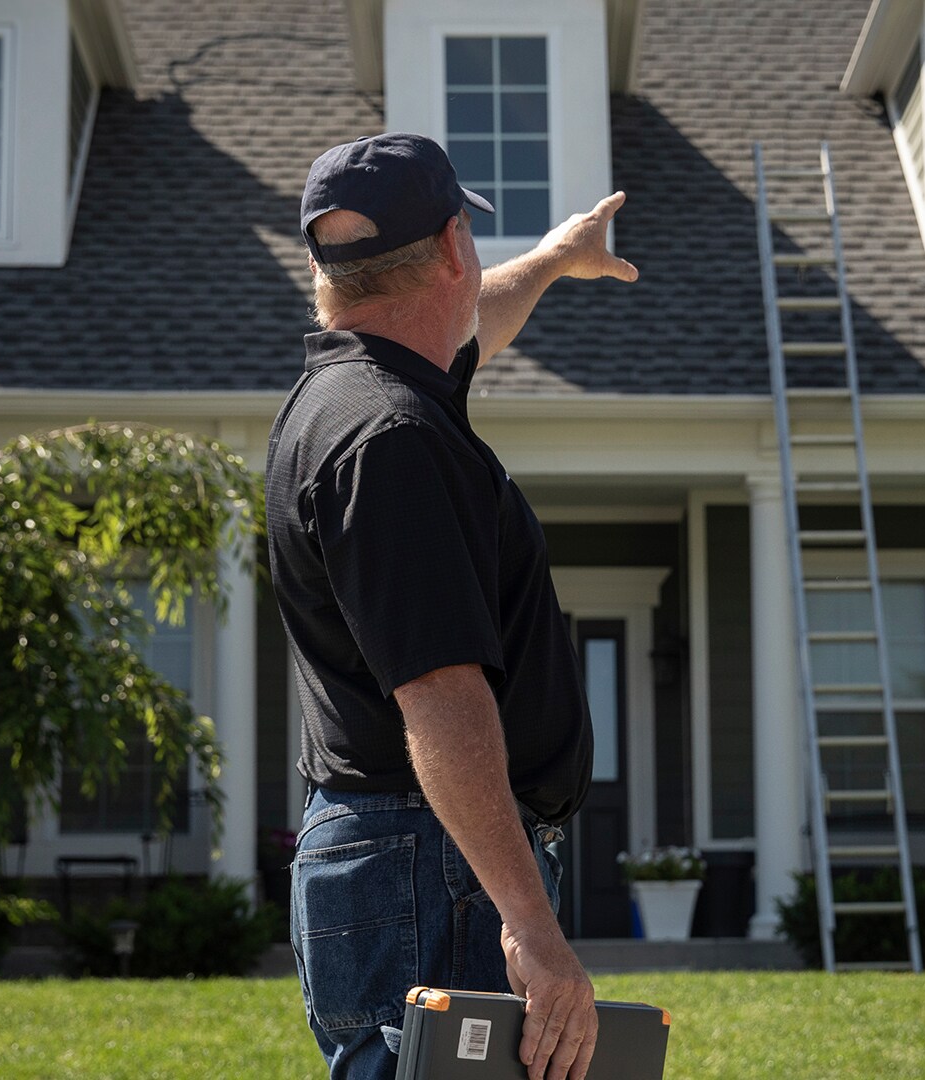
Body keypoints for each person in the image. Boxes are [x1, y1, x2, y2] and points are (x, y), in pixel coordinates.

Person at [265, 132, 638, 1080]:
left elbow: (473, 321)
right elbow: (441, 695)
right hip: (434, 868)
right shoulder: (393, 439)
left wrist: (556, 259)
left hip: (403, 859)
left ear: (326, 272)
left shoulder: (354, 394)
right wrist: (533, 926)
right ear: (453, 247)